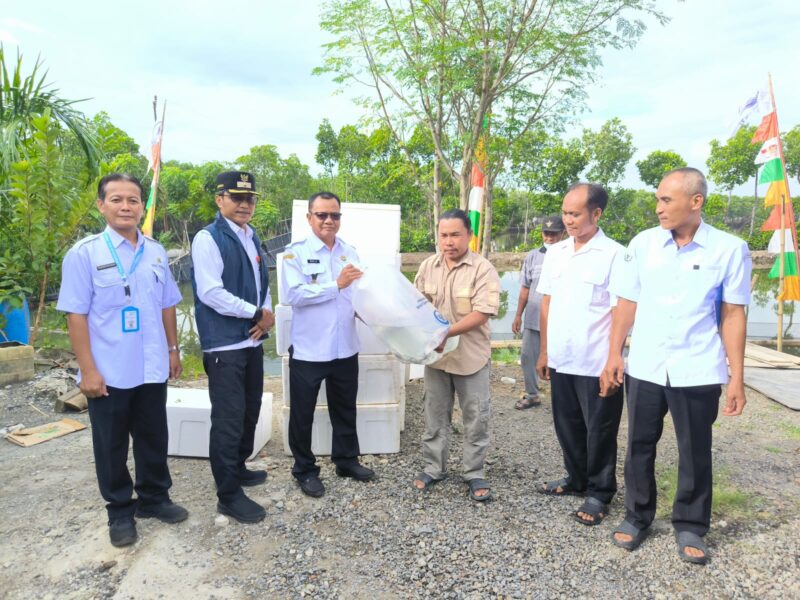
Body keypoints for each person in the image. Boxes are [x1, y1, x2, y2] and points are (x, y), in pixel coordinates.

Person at [601, 168, 751, 565]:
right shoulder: (644, 244)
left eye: (666, 200)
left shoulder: (729, 249)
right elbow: (626, 304)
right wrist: (615, 354)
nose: (658, 208)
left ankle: (690, 524)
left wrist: (737, 376)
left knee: (695, 450)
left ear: (695, 202)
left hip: (697, 366)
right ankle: (638, 515)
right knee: (638, 446)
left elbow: (733, 314)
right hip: (647, 365)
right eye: (658, 199)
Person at [57, 173, 187, 547]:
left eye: (133, 200)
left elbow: (167, 305)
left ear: (142, 206)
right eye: (116, 200)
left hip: (151, 366)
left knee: (153, 436)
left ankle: (155, 498)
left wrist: (173, 350)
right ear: (102, 205)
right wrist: (89, 370)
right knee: (111, 445)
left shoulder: (157, 252)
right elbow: (76, 315)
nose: (126, 206)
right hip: (110, 369)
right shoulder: (85, 254)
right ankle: (119, 510)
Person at [535, 183, 624, 526]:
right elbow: (547, 302)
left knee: (599, 429)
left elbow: (620, 310)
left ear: (596, 213)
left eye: (575, 214)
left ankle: (600, 492)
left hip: (596, 359)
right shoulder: (555, 253)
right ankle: (576, 480)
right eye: (565, 213)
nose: (567, 220)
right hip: (562, 356)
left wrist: (613, 358)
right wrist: (544, 350)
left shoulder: (615, 254)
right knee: (567, 424)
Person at [191, 170, 275, 524]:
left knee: (248, 411)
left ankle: (238, 467)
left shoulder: (251, 236)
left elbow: (262, 285)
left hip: (251, 340)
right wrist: (254, 312)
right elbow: (210, 293)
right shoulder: (208, 239)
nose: (244, 204)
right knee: (226, 420)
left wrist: (266, 314)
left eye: (250, 198)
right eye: (236, 197)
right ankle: (227, 494)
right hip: (224, 344)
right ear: (219, 199)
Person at [281, 191, 376, 498]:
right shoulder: (294, 254)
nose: (329, 221)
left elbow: (360, 294)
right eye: (322, 215)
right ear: (309, 218)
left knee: (345, 409)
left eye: (335, 215)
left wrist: (378, 314)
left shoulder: (350, 252)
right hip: (310, 350)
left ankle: (346, 460)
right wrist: (335, 285)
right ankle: (305, 470)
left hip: (345, 347)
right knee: (303, 414)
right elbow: (292, 295)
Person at [413, 209, 501, 502]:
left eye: (455, 234)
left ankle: (474, 473)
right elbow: (416, 305)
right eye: (443, 235)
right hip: (436, 359)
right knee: (434, 415)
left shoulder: (482, 269)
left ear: (469, 235)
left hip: (470, 358)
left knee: (476, 418)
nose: (448, 241)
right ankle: (433, 468)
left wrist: (445, 333)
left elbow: (483, 312)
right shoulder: (428, 266)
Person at [511, 216, 567, 409]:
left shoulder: (569, 256)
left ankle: (563, 399)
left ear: (563, 234)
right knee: (528, 356)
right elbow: (525, 288)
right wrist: (518, 314)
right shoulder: (533, 256)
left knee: (560, 357)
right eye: (546, 233)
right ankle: (532, 394)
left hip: (559, 319)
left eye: (554, 234)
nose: (549, 238)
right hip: (534, 317)